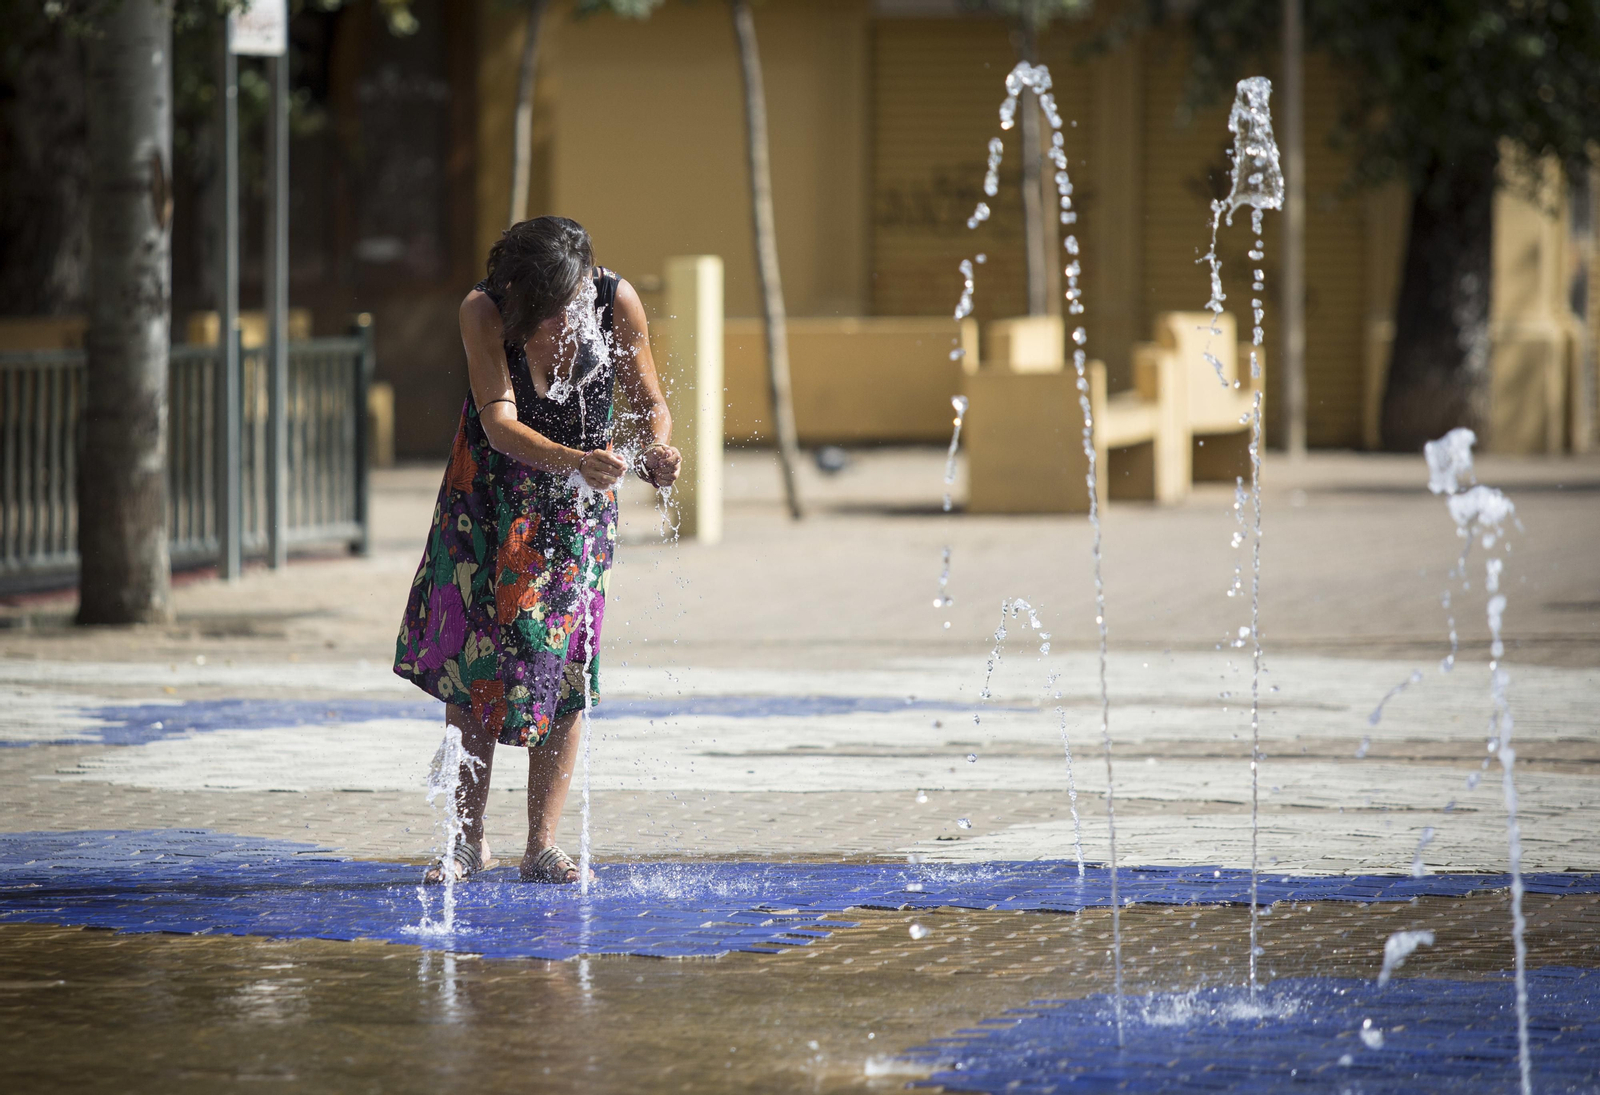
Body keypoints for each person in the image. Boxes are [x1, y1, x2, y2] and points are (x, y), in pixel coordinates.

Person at [393, 216, 680, 884]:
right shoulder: (483, 309)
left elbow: (650, 402)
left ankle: (543, 844)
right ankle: (467, 841)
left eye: (568, 308)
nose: (561, 327)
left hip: (575, 508)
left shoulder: (616, 300)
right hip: (489, 498)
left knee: (568, 667)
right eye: (545, 315)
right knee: (475, 665)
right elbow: (498, 420)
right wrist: (576, 457)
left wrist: (659, 450)